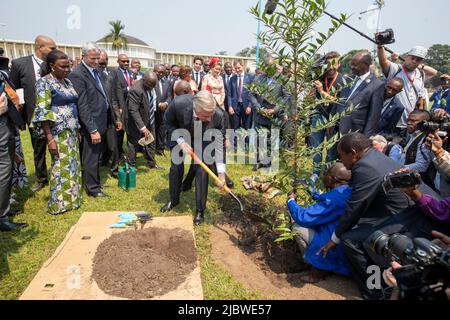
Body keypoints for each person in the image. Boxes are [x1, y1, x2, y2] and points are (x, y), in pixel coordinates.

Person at [317, 133, 413, 299]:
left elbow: (355, 207)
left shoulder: (365, 167)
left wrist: (335, 238)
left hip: (403, 218)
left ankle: (374, 292)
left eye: (341, 156)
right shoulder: (374, 156)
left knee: (351, 240)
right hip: (400, 210)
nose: (341, 160)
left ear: (353, 153)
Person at [161, 91, 226, 225]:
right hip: (180, 133)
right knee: (176, 167)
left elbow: (219, 146)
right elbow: (168, 122)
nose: (209, 119)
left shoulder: (218, 115)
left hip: (204, 137)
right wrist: (180, 141)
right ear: (196, 108)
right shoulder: (178, 103)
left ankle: (200, 210)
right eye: (206, 116)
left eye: (211, 115)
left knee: (202, 169)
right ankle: (174, 200)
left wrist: (221, 173)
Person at [31, 49, 81, 215]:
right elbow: (42, 112)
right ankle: (58, 203)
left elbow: (74, 105)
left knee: (72, 166)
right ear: (52, 66)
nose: (67, 70)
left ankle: (72, 200)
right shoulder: (44, 83)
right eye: (63, 67)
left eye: (68, 66)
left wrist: (77, 129)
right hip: (57, 132)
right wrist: (50, 139)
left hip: (72, 131)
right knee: (60, 167)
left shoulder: (67, 82)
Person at [287, 162, 352, 282]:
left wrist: (291, 201)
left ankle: (316, 268)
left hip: (332, 243)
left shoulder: (333, 199)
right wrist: (311, 190)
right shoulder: (348, 191)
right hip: (345, 242)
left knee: (298, 228)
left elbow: (304, 217)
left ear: (333, 179)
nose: (323, 176)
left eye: (326, 174)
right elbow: (328, 199)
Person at [10, 35, 57, 193]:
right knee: (38, 148)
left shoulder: (54, 64)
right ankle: (41, 178)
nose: (54, 51)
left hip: (53, 113)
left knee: (55, 144)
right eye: (52, 48)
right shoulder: (19, 64)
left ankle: (57, 174)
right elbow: (15, 89)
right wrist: (20, 117)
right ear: (40, 48)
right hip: (34, 114)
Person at [68, 42, 112, 198]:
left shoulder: (97, 71)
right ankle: (93, 189)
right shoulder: (77, 74)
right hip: (91, 123)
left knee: (97, 155)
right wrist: (92, 129)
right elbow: (83, 104)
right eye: (93, 58)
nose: (96, 61)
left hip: (102, 120)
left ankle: (95, 181)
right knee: (91, 157)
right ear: (83, 56)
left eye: (97, 58)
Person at [377, 44, 437, 135]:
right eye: (412, 58)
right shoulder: (396, 68)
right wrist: (380, 46)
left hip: (409, 123)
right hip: (390, 120)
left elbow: (434, 72)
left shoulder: (420, 74)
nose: (414, 61)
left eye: (418, 60)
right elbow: (383, 62)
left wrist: (419, 66)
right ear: (406, 57)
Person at [309, 51, 347, 175]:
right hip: (318, 116)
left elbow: (339, 102)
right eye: (328, 63)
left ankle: (328, 177)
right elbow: (311, 98)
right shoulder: (320, 78)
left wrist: (321, 90)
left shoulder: (343, 80)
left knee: (331, 152)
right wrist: (312, 92)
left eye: (334, 64)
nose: (331, 67)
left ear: (339, 64)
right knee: (316, 149)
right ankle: (315, 175)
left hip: (334, 119)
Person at [249, 57, 291, 170]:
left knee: (272, 139)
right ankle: (258, 161)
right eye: (266, 67)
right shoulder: (257, 78)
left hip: (274, 115)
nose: (268, 70)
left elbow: (287, 96)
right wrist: (258, 108)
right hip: (259, 114)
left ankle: (269, 161)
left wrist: (275, 109)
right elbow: (252, 94)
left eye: (270, 67)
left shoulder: (282, 79)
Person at [334, 51, 384, 137]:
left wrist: (365, 138)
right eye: (352, 64)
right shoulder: (348, 79)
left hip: (354, 132)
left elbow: (373, 116)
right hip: (335, 130)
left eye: (355, 65)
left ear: (366, 64)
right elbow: (339, 102)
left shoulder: (377, 85)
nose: (352, 67)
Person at [0, 81, 27, 231]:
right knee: (3, 170)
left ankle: (4, 207)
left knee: (7, 170)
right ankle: (1, 217)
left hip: (7, 125)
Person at [125, 71, 161, 169]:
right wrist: (142, 127)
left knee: (151, 140)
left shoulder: (151, 85)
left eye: (154, 85)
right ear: (144, 80)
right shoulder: (136, 90)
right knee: (134, 143)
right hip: (136, 121)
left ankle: (152, 163)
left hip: (149, 118)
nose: (152, 87)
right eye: (150, 85)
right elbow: (133, 110)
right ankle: (131, 166)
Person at [99, 50, 120, 179]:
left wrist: (118, 116)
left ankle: (115, 169)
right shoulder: (92, 77)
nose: (101, 64)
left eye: (103, 62)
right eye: (99, 62)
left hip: (110, 116)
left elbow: (114, 98)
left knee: (113, 145)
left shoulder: (110, 75)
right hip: (96, 118)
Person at [401, 110, 435, 189]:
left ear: (424, 123)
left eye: (413, 121)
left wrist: (398, 168)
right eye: (408, 120)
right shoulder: (414, 134)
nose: (409, 123)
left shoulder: (426, 139)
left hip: (418, 184)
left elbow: (422, 166)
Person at [112, 53, 132, 161]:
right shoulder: (115, 73)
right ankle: (119, 154)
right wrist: (128, 89)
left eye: (127, 61)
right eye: (123, 61)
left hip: (130, 107)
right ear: (118, 61)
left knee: (129, 131)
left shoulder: (130, 73)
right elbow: (115, 91)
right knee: (119, 133)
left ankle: (129, 153)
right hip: (120, 107)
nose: (126, 63)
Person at [229, 59, 255, 132]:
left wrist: (250, 106)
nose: (237, 70)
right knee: (235, 128)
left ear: (242, 66)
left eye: (239, 68)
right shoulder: (232, 79)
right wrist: (230, 106)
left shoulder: (250, 77)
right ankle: (235, 143)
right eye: (235, 68)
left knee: (246, 128)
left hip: (246, 106)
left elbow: (253, 93)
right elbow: (229, 94)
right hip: (235, 107)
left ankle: (245, 143)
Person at [154, 64, 173, 155]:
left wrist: (165, 103)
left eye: (163, 72)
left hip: (164, 109)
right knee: (153, 129)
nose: (161, 74)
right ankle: (151, 148)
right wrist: (158, 104)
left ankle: (160, 149)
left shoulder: (168, 82)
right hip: (153, 109)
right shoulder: (151, 81)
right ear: (154, 71)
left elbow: (170, 95)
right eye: (158, 72)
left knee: (162, 130)